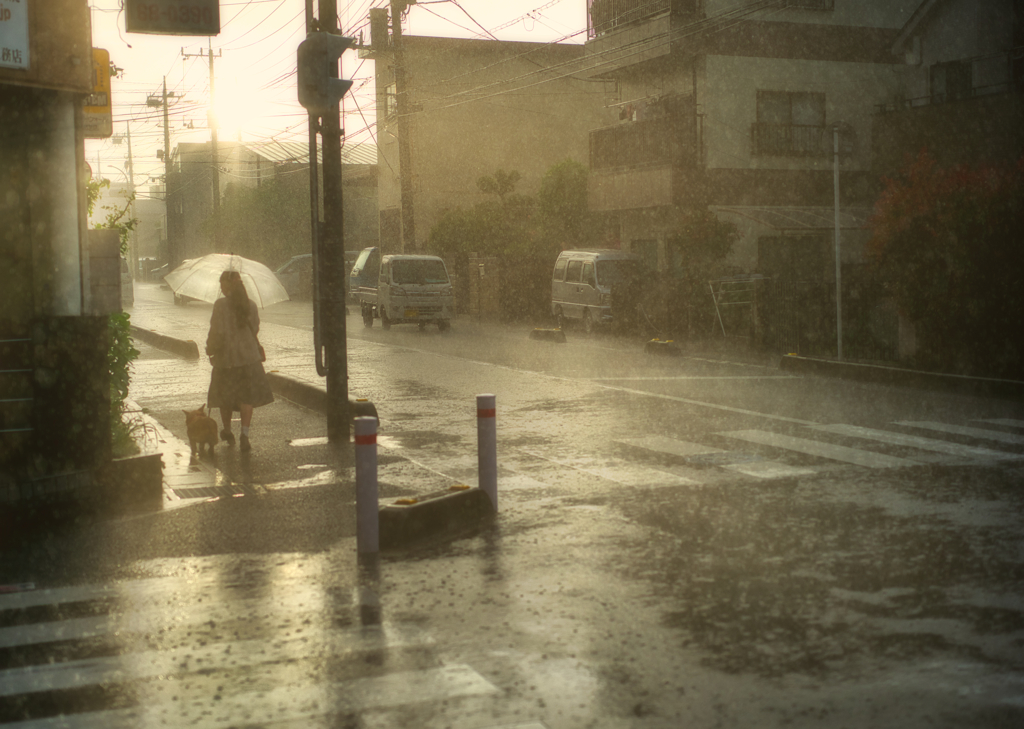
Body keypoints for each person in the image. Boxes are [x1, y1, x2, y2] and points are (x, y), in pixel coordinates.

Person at [206, 270, 273, 451]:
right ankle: (245, 433)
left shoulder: (220, 305)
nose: (221, 289)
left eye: (222, 285)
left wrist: (210, 348)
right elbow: (255, 329)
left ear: (228, 286)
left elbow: (216, 331)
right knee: (246, 397)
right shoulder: (250, 305)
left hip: (225, 360)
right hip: (249, 359)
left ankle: (227, 430)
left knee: (225, 397)